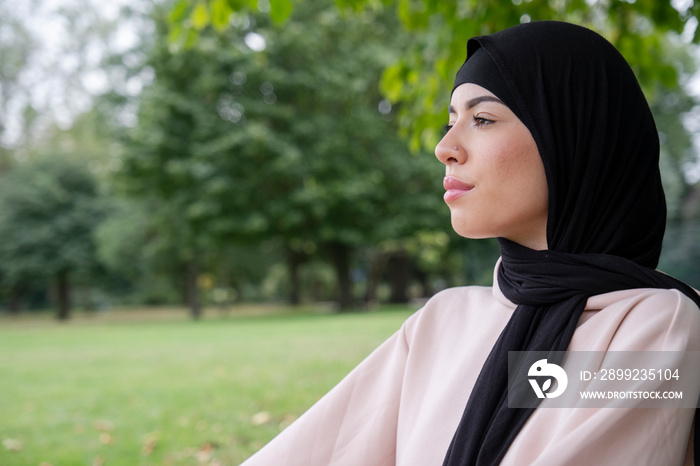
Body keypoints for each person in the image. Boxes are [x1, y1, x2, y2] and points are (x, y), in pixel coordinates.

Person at [241, 21, 700, 465]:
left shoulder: (655, 325)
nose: (445, 146)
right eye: (451, 120)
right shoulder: (441, 322)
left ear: (572, 136)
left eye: (482, 118)